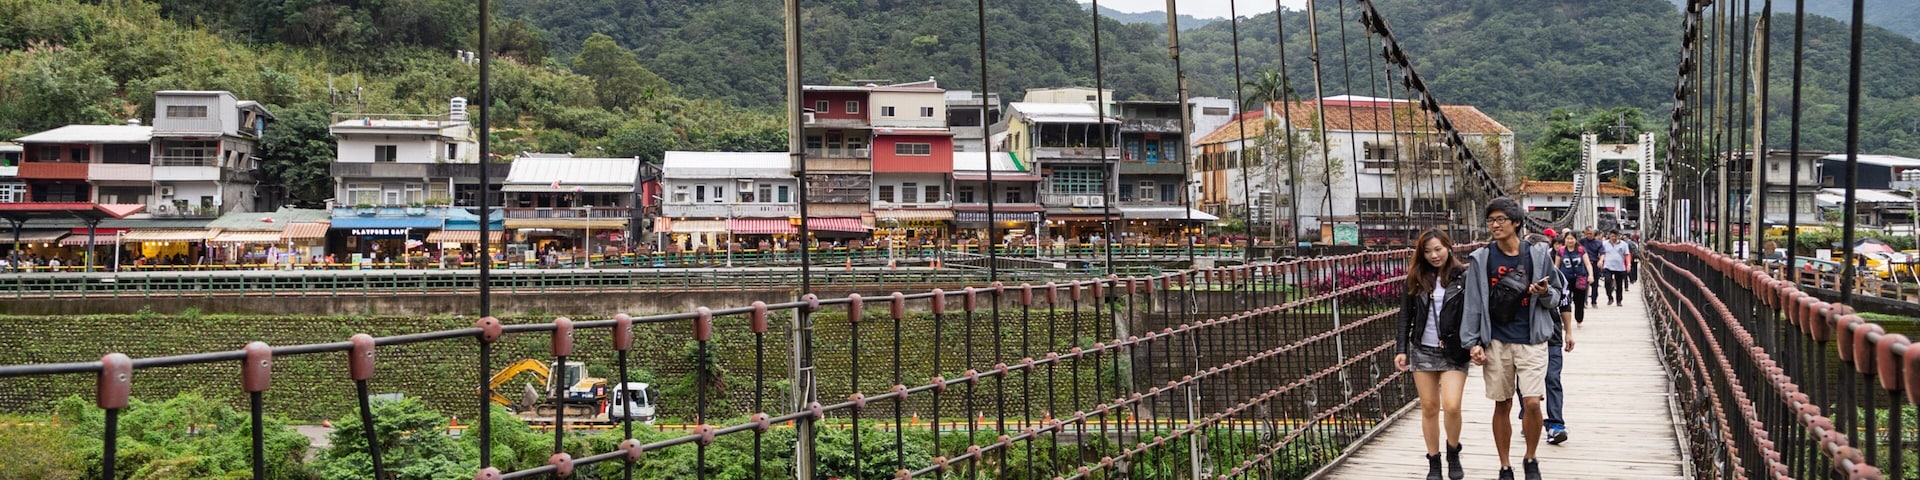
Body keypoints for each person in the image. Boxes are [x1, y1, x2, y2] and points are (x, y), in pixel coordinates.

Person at [1461, 197, 1563, 480]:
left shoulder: (1537, 256)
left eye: (1500, 220)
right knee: (1502, 404)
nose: (1495, 225)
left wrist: (1544, 292)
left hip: (1531, 339)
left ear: (1516, 222)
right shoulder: (1482, 259)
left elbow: (1556, 294)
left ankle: (1530, 457)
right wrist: (1472, 343)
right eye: (1491, 220)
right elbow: (1473, 303)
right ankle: (1505, 465)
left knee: (1532, 403)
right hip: (1496, 340)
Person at [1395, 228, 1472, 480]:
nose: (1434, 255)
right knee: (1429, 407)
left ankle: (1453, 450)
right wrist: (1401, 349)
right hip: (1423, 349)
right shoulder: (1416, 277)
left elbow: (1473, 312)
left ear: (1448, 247)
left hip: (1454, 350)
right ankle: (1434, 461)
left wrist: (1476, 343)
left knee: (1452, 405)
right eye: (1427, 251)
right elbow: (1405, 315)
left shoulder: (1463, 276)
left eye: (1438, 249)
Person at [1555, 233, 1593, 327]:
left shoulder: (1581, 250)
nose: (1570, 241)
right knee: (1565, 301)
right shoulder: (1561, 251)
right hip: (1565, 280)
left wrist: (1591, 275)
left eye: (1572, 239)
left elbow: (1587, 263)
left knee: (1579, 301)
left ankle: (1579, 320)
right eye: (1568, 239)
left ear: (1575, 240)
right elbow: (1556, 266)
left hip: (1580, 279)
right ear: (1565, 240)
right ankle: (1565, 322)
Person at [1601, 232, 1632, 306]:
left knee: (1619, 284)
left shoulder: (1624, 244)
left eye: (1615, 236)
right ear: (1609, 236)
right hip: (1608, 266)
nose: (1614, 238)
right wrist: (1601, 261)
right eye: (1612, 236)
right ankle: (1610, 297)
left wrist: (1628, 264)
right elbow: (1602, 253)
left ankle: (1619, 301)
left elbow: (1627, 255)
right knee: (1607, 281)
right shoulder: (1604, 244)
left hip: (1620, 267)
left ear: (1618, 236)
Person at [1579, 228, 1605, 308]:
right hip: (1584, 264)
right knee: (1583, 283)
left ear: (1594, 234)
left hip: (1594, 264)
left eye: (1590, 233)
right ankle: (1584, 301)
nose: (1589, 235)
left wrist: (1601, 260)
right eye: (1587, 234)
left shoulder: (1598, 243)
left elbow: (1602, 253)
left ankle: (1594, 301)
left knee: (1595, 284)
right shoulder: (1581, 241)